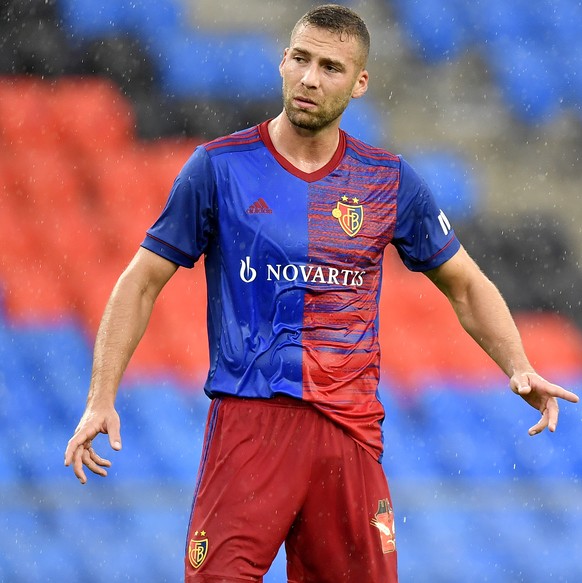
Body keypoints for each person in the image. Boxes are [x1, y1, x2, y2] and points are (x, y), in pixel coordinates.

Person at [64, 4, 579, 582]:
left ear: (360, 83)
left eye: (331, 67)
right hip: (250, 425)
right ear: (283, 62)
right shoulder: (218, 168)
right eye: (301, 59)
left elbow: (464, 283)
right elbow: (140, 281)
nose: (311, 78)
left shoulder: (388, 180)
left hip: (349, 435)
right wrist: (100, 396)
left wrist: (518, 364)